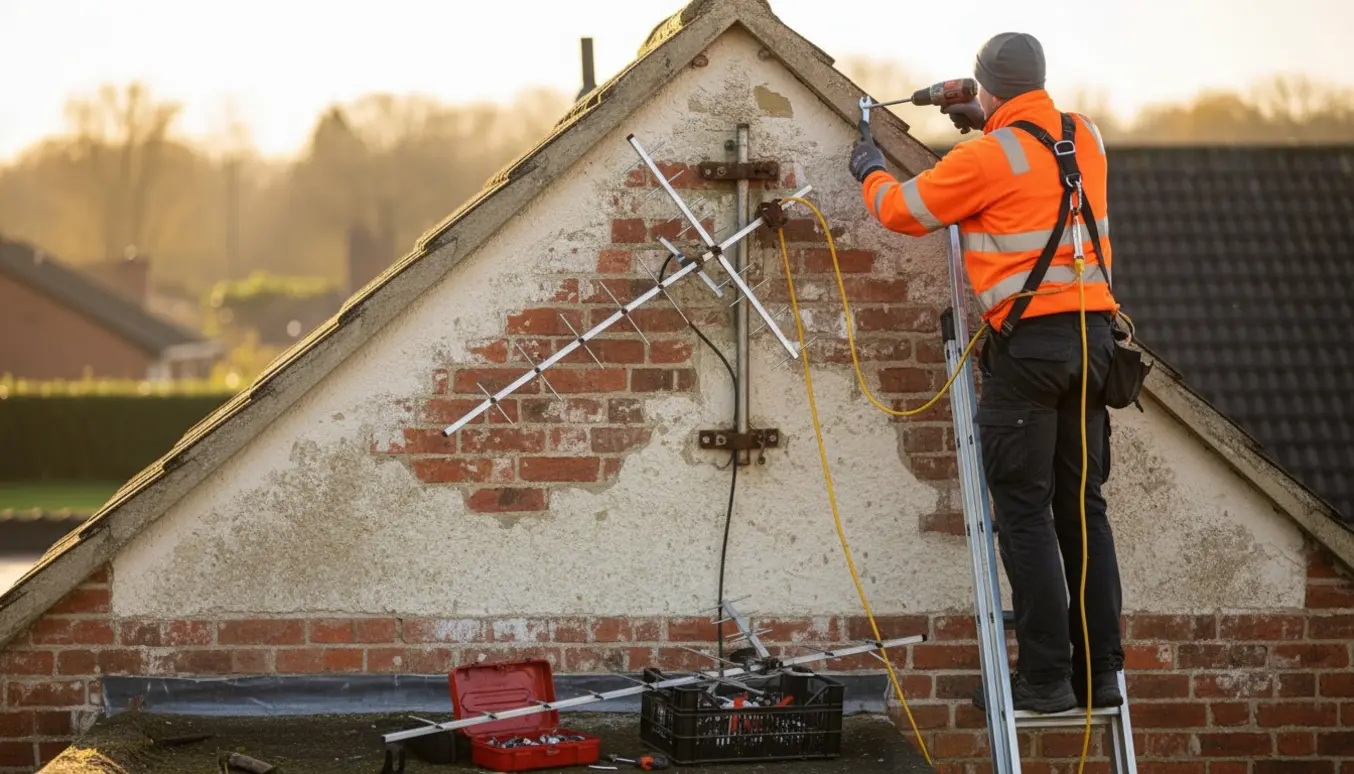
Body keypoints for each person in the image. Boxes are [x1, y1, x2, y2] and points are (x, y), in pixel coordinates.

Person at [847, 32, 1126, 713]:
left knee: (1024, 514)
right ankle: (1100, 676)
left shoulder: (986, 156)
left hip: (1031, 352)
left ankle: (1045, 683)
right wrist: (996, 118)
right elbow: (1032, 158)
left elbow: (901, 211)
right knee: (1082, 512)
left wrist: (868, 170)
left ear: (984, 86)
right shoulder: (1084, 135)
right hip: (1096, 345)